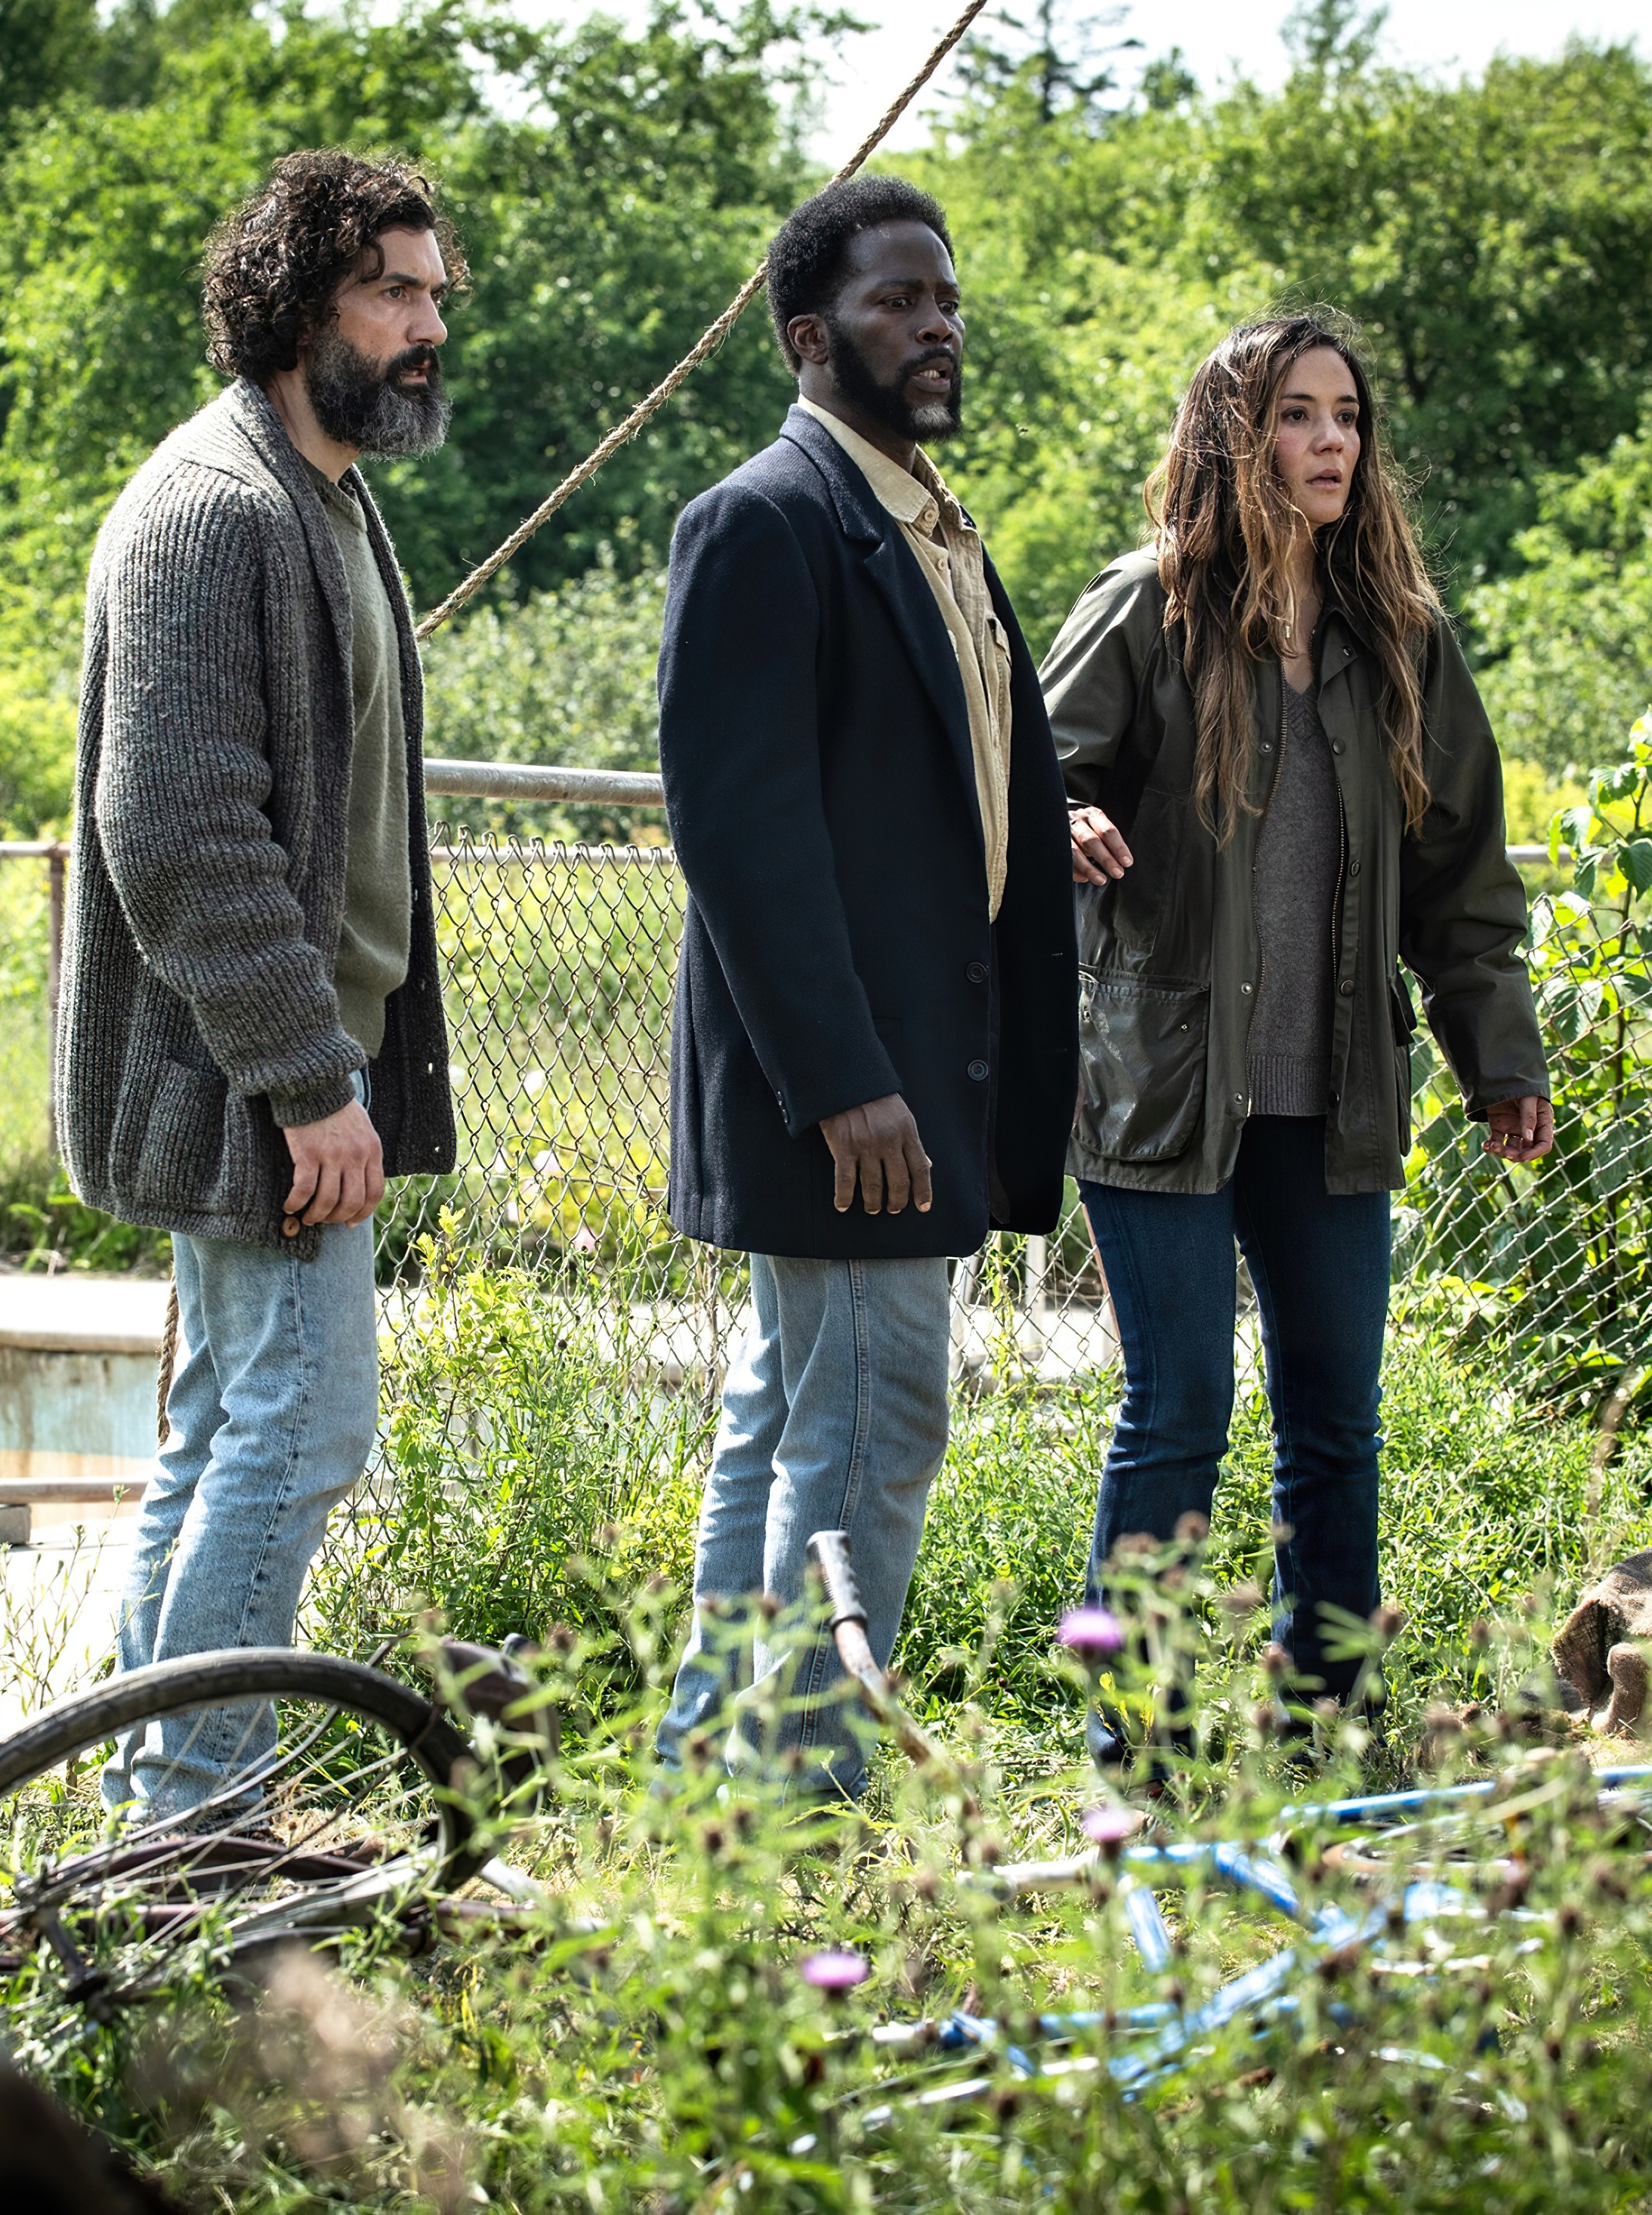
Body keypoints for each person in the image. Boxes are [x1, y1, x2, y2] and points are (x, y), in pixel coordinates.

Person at [1042, 311, 1552, 1748]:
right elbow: (1020, 776)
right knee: (1180, 1406)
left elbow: (1461, 879)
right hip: (1160, 1084)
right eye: (1296, 415)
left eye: (1348, 417)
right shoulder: (1145, 609)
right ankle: (1134, 1739)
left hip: (1334, 1093)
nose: (1333, 441)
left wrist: (1500, 1058)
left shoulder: (1401, 640)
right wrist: (1061, 815)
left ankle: (1326, 1719)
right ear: (1233, 437)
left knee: (1334, 1417)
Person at [652, 177, 1078, 1793]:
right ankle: (801, 1806)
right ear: (808, 337)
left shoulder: (937, 531)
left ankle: (715, 1782)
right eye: (896, 301)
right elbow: (739, 829)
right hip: (851, 1097)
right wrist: (843, 1081)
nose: (935, 325)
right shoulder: (763, 521)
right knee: (870, 1434)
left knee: (786, 1423)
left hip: (921, 1073)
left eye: (944, 298)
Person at [53, 150, 462, 1809]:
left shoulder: (326, 498)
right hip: (256, 1078)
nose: (428, 328)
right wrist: (307, 1080)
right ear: (299, 309)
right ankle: (200, 1819)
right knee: (298, 1434)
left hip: (293, 1065)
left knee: (228, 1428)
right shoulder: (212, 507)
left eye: (435, 294)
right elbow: (174, 829)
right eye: (393, 293)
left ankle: (145, 1811)